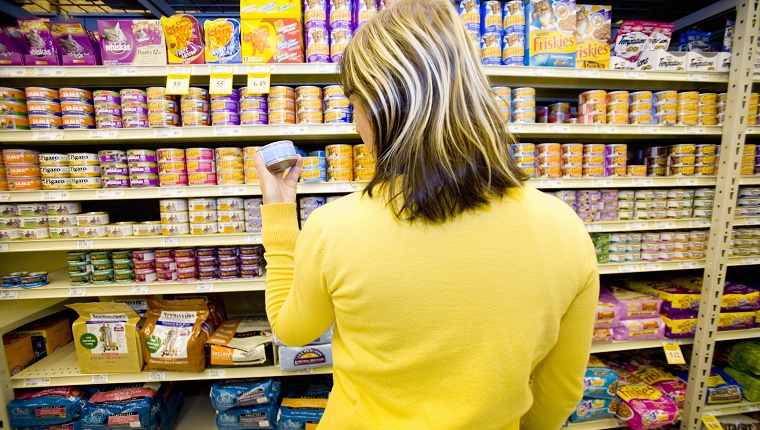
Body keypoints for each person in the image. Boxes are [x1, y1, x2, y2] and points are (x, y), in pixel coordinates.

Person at [253, 0, 599, 427]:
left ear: (381, 109)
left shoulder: (335, 228)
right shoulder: (564, 228)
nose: (354, 124)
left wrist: (280, 213)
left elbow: (291, 330)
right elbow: (561, 389)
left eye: (354, 105)